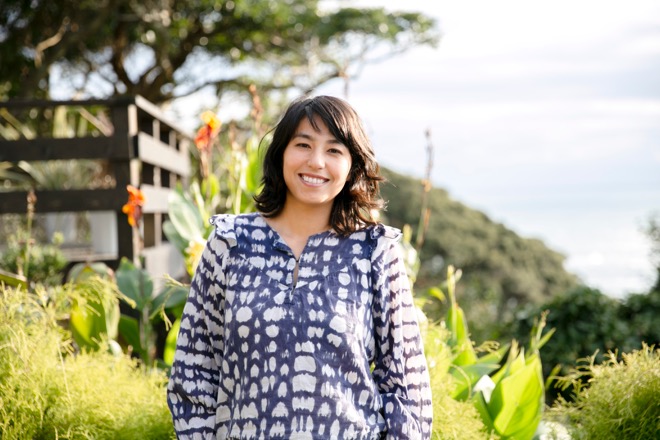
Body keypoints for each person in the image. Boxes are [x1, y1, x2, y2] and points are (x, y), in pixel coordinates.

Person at [167, 95, 433, 439]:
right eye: (303, 144)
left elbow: (407, 391)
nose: (316, 161)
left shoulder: (375, 252)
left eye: (334, 150)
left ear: (352, 165)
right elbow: (193, 375)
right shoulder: (229, 244)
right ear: (280, 153)